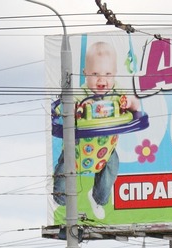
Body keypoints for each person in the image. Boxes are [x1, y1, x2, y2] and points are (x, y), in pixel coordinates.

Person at [52, 39, 140, 221]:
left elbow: (135, 104)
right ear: (85, 74)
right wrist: (76, 108)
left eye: (108, 74)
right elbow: (62, 107)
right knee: (63, 167)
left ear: (115, 74)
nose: (102, 80)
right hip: (77, 148)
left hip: (105, 148)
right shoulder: (80, 93)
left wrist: (129, 103)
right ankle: (60, 199)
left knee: (112, 167)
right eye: (95, 74)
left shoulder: (117, 91)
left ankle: (98, 197)